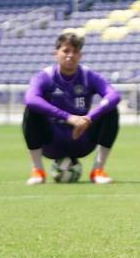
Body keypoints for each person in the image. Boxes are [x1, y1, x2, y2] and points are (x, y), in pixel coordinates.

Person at [23, 32, 121, 185]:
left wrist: (89, 118)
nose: (70, 55)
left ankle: (97, 170)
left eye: (75, 52)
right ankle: (38, 171)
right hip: (51, 142)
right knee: (31, 110)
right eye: (66, 51)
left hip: (81, 140)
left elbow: (113, 95)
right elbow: (30, 99)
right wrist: (69, 117)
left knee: (111, 109)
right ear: (56, 54)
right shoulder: (45, 76)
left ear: (80, 56)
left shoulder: (88, 75)